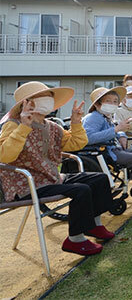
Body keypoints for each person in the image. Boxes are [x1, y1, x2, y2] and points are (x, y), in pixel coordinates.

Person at [0, 81, 114, 256]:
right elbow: (5, 156)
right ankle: (75, 240)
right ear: (27, 103)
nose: (48, 100)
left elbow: (76, 143)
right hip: (26, 184)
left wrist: (76, 123)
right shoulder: (13, 125)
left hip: (51, 177)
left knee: (99, 178)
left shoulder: (51, 125)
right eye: (42, 97)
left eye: (50, 97)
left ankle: (94, 225)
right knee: (81, 190)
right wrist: (24, 127)